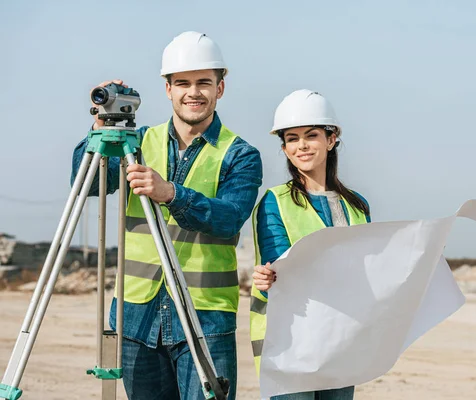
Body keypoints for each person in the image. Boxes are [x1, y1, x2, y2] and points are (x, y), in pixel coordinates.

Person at [71, 31, 263, 399]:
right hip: (135, 315)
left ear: (220, 88)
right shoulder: (137, 142)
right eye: (183, 83)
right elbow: (86, 184)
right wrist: (101, 127)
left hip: (205, 316)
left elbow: (229, 218)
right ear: (168, 89)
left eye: (204, 83)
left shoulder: (240, 154)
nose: (194, 92)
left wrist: (170, 194)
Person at [250, 89, 371, 400]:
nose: (301, 145)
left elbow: (368, 270)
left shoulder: (357, 205)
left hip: (341, 340)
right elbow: (281, 270)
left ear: (331, 140)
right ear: (285, 148)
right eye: (292, 138)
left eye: (311, 135)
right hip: (292, 341)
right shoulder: (275, 202)